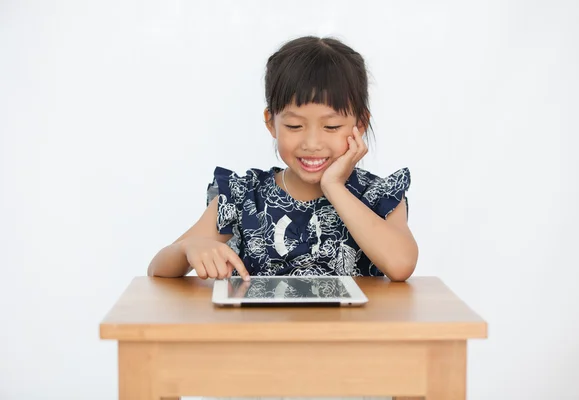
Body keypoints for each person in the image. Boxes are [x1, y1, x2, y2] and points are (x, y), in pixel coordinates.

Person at [147, 36, 418, 282]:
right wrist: (187, 248)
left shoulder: (377, 195)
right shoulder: (244, 196)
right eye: (295, 126)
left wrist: (333, 186)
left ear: (359, 124)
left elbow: (401, 264)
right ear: (271, 123)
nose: (312, 144)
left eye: (331, 127)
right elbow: (157, 269)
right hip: (263, 335)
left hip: (350, 335)